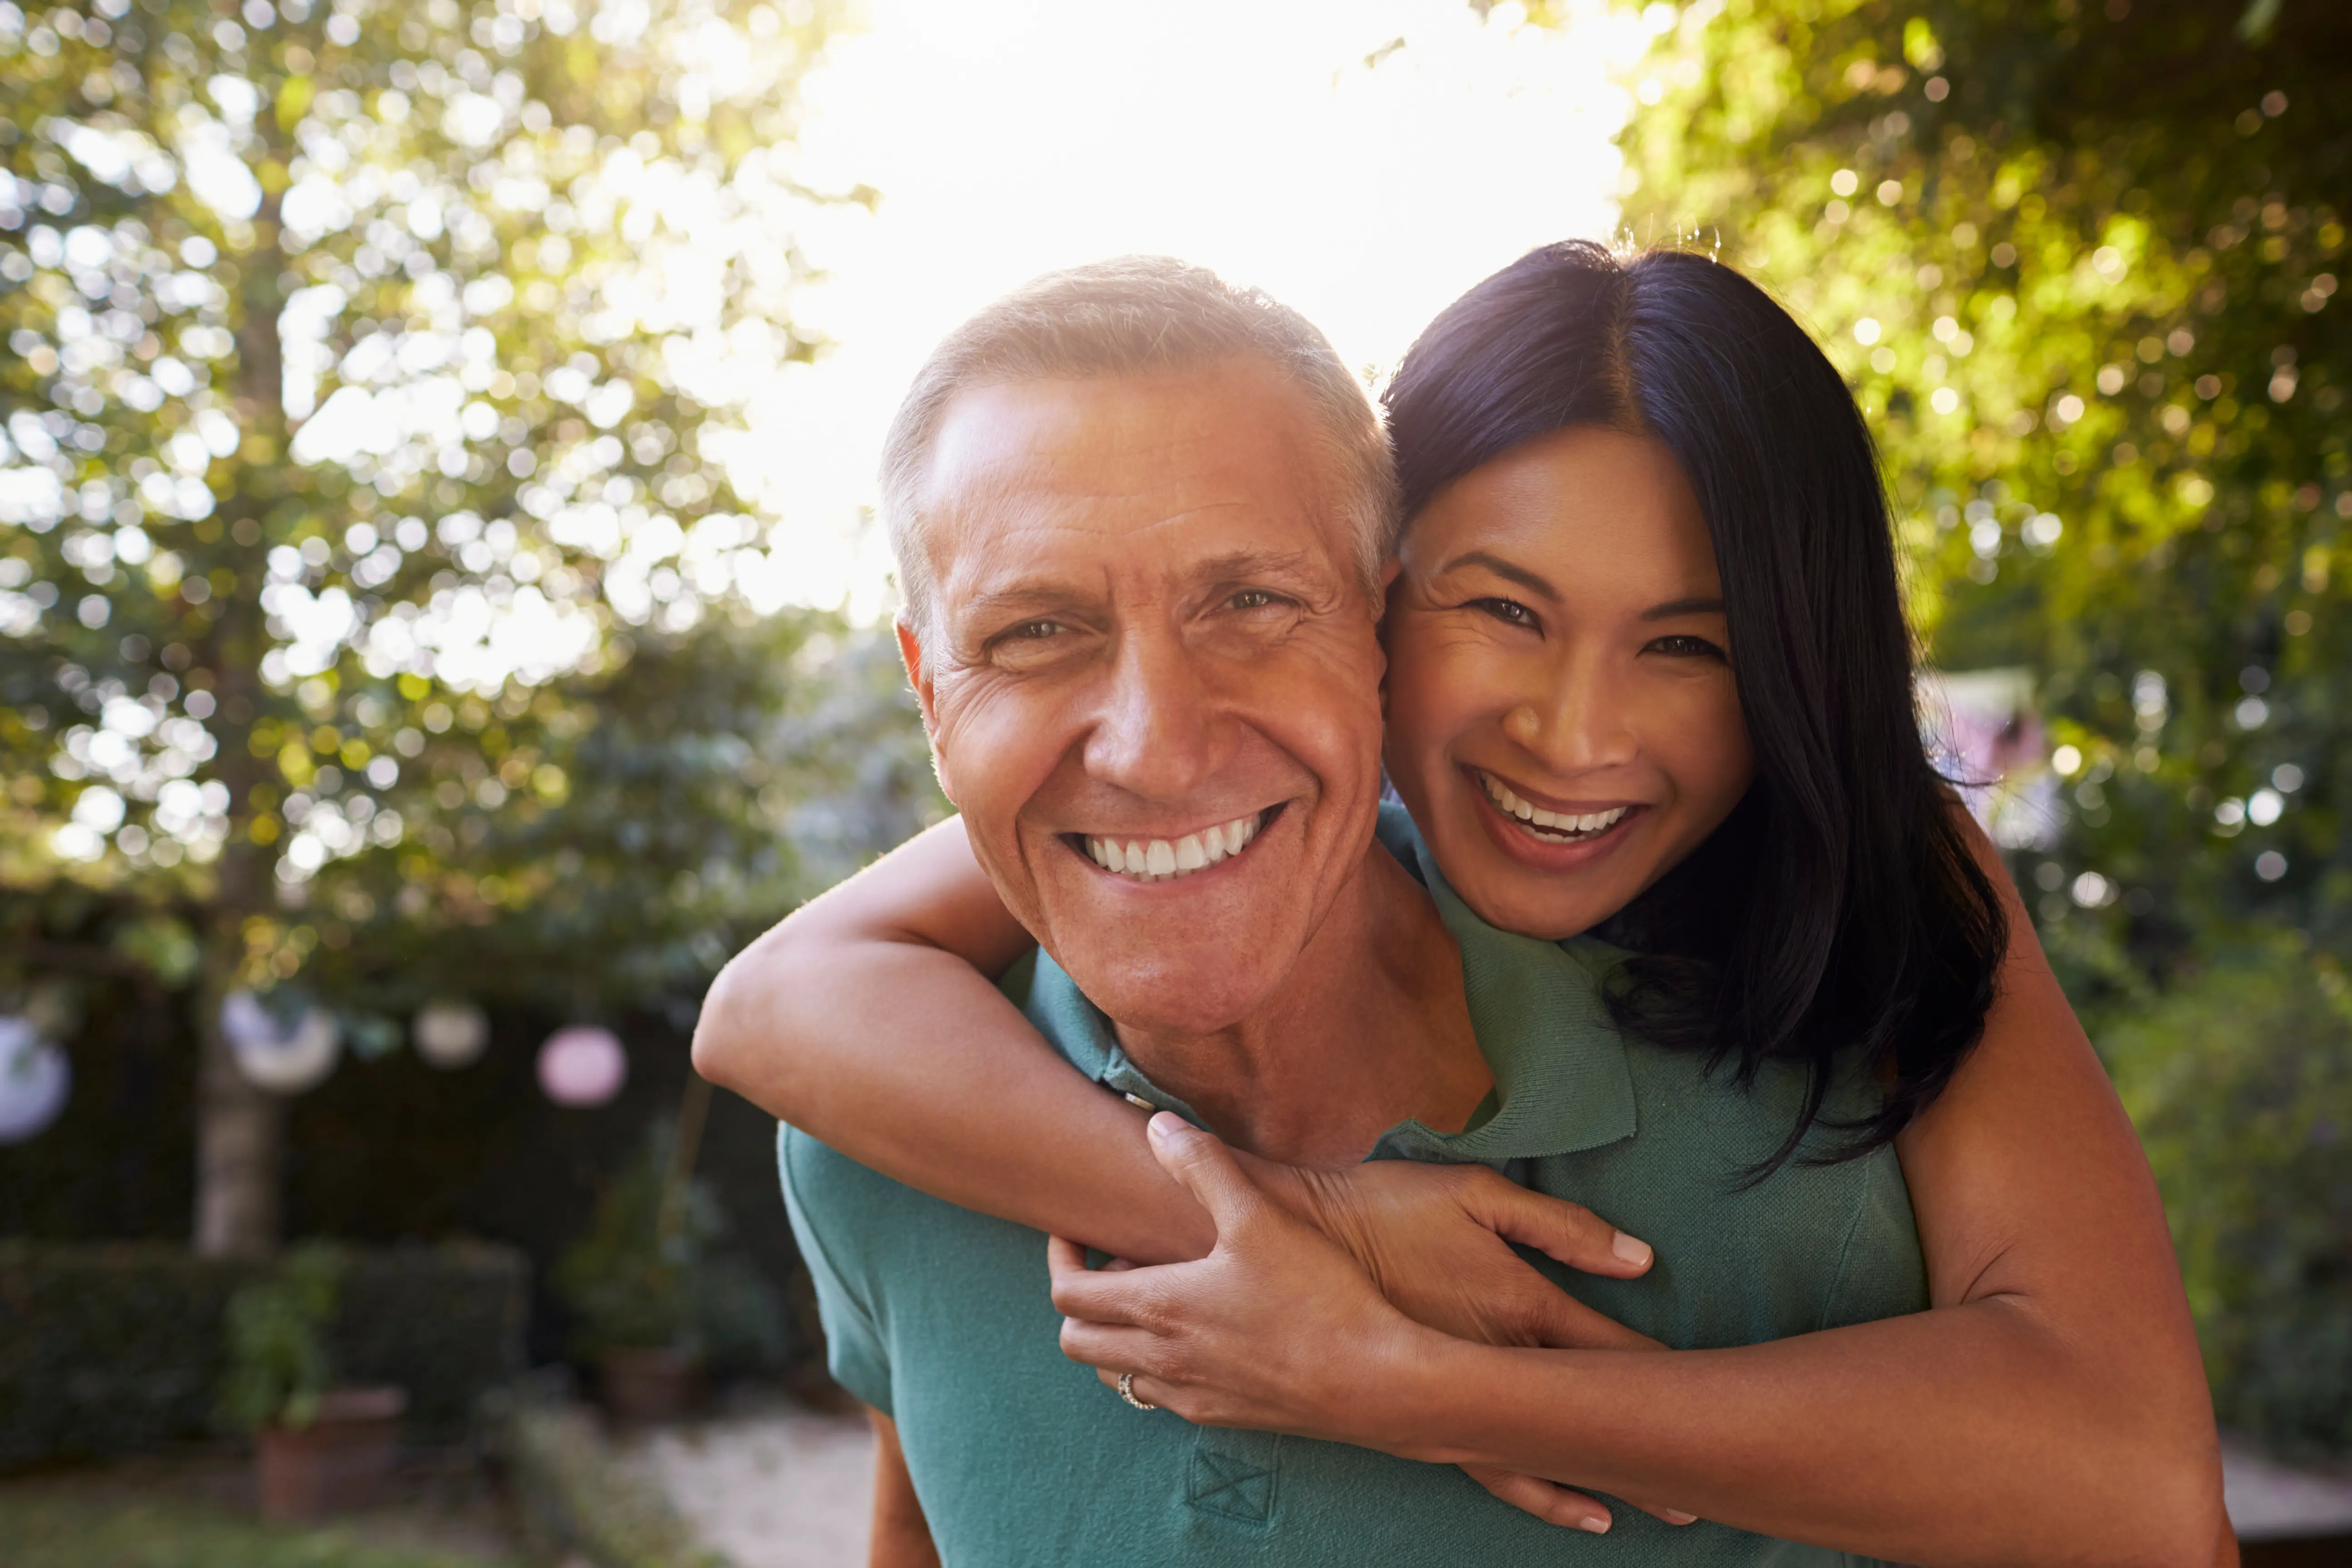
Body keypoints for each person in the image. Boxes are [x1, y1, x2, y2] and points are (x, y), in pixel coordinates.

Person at [700, 248, 2228, 1566]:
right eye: (1503, 608)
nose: (1573, 737)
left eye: (1251, 600)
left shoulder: (1861, 953)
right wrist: (1312, 1225)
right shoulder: (893, 1127)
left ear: (1351, 615)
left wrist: (1405, 1379)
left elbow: (2143, 1497)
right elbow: (777, 1004)